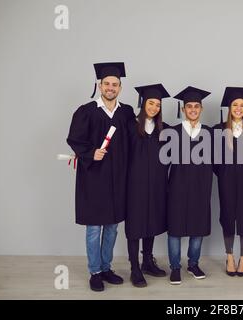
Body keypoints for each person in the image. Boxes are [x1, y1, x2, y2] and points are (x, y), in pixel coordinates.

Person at [67, 62, 135, 291]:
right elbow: (74, 139)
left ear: (120, 87)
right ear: (99, 85)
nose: (110, 87)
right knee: (94, 227)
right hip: (94, 178)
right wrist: (90, 152)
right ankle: (95, 271)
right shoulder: (86, 111)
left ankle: (107, 268)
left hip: (118, 178)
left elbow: (135, 140)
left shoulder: (125, 112)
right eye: (106, 83)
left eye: (114, 84)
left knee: (113, 227)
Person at [166, 86, 213, 285]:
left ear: (201, 109)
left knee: (198, 228)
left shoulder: (211, 134)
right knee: (175, 230)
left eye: (196, 106)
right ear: (183, 109)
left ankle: (193, 264)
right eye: (189, 106)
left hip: (201, 188)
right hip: (176, 187)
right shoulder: (172, 133)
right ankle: (175, 267)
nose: (193, 109)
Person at [126, 84, 171, 287]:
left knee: (151, 221)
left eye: (158, 104)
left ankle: (147, 262)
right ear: (143, 103)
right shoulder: (130, 126)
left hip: (157, 185)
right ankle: (135, 267)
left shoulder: (164, 129)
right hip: (134, 185)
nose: (154, 107)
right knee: (135, 226)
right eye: (151, 103)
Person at [213, 87, 243, 277]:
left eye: (242, 105)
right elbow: (215, 161)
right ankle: (230, 256)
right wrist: (225, 174)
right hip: (227, 181)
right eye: (235, 105)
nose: (238, 108)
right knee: (228, 217)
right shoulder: (219, 130)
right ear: (229, 107)